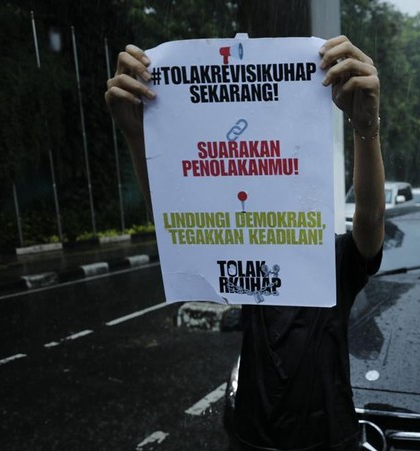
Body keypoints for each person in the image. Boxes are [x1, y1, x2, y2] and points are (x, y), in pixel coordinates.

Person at [105, 36, 385, 450]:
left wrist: (365, 128)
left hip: (328, 439)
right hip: (250, 438)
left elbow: (370, 214)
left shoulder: (338, 260)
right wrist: (136, 135)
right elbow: (177, 222)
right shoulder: (249, 248)